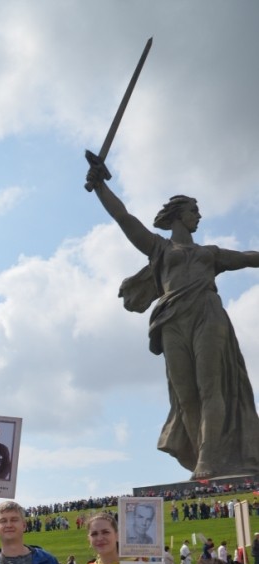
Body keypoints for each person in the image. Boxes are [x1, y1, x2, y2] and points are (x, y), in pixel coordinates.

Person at [86, 167, 259, 479]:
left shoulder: (211, 253)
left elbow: (249, 257)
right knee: (185, 395)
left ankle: (208, 459)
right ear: (178, 215)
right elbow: (124, 218)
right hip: (171, 319)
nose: (199, 216)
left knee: (210, 387)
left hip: (207, 314)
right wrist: (100, 187)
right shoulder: (160, 248)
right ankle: (201, 458)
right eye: (195, 210)